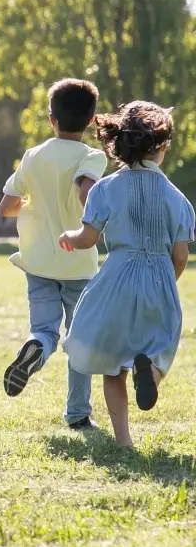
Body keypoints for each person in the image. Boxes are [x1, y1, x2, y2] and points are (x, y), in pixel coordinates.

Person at [60, 101, 194, 447]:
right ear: (161, 147)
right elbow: (181, 254)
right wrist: (166, 280)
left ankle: (124, 441)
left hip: (116, 278)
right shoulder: (177, 199)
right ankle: (149, 372)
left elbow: (88, 239)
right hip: (160, 279)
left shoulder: (105, 188)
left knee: (112, 364)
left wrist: (69, 237)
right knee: (160, 346)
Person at [0, 78, 107, 429]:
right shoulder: (93, 155)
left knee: (44, 330)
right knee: (80, 341)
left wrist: (34, 205)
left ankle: (35, 348)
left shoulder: (34, 155)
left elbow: (6, 206)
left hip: (39, 262)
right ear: (91, 120)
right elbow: (86, 191)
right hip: (78, 262)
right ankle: (78, 414)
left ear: (51, 119)